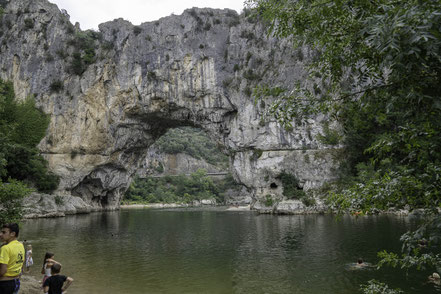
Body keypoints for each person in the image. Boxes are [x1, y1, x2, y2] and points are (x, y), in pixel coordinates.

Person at [0, 223, 25, 294]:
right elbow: (22, 261)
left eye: (4, 232)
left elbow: (2, 271)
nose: (0, 234)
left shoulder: (5, 248)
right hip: (16, 281)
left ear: (12, 234)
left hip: (4, 284)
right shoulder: (20, 245)